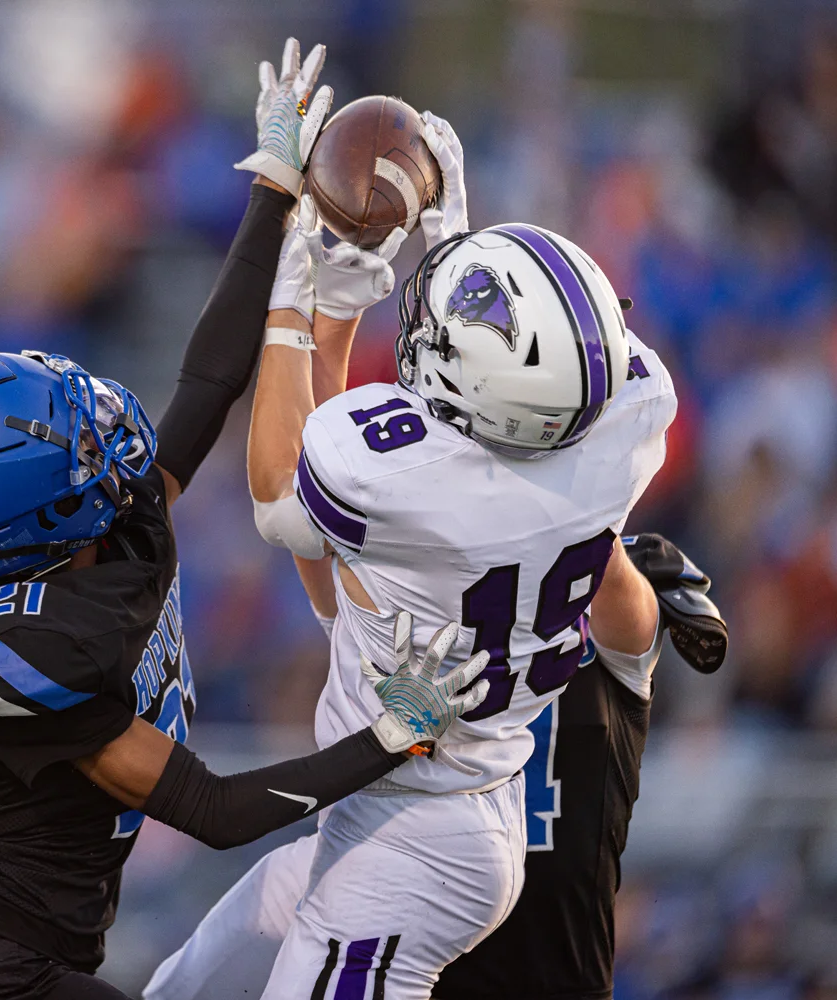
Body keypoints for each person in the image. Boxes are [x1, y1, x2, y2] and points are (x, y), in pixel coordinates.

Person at [0, 41, 490, 1000]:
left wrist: (274, 194)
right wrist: (391, 736)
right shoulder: (16, 657)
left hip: (37, 939)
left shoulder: (90, 531)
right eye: (66, 440)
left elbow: (205, 387)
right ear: (32, 522)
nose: (97, 430)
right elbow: (211, 808)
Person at [209, 109, 676, 999]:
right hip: (461, 811)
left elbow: (283, 498)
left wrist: (297, 301)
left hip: (418, 834)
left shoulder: (415, 501)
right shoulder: (621, 435)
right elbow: (513, 404)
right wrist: (450, 250)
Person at [143, 534, 727, 1000]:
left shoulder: (606, 659)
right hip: (430, 943)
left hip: (515, 961)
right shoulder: (431, 646)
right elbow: (310, 537)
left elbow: (609, 578)